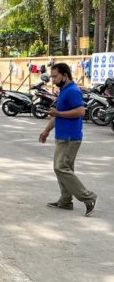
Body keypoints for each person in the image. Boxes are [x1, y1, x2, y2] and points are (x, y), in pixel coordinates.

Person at [39, 62, 97, 217]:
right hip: (63, 135)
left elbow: (80, 111)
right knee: (64, 169)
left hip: (70, 137)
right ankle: (65, 201)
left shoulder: (72, 91)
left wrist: (58, 114)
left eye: (55, 76)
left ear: (64, 75)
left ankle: (88, 197)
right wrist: (46, 131)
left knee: (61, 168)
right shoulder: (63, 90)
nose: (52, 79)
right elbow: (56, 113)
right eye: (52, 76)